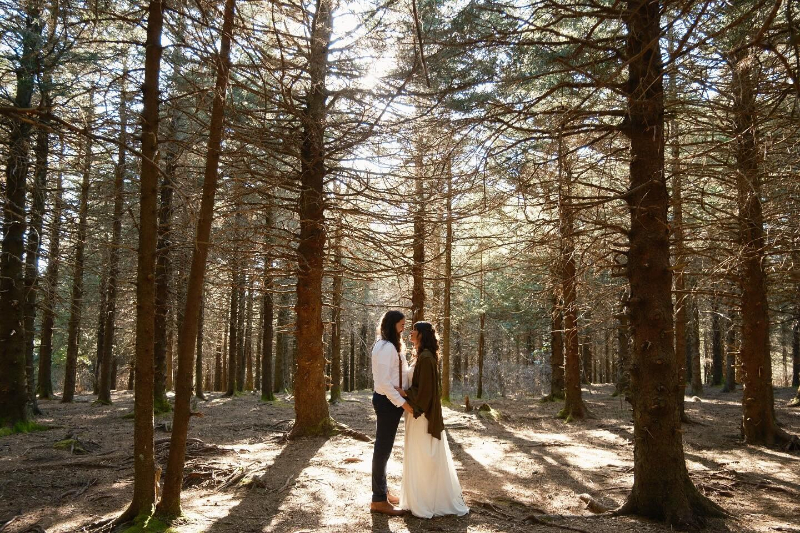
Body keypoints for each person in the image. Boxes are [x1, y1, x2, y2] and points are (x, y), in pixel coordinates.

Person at [396, 321, 469, 518]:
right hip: (415, 413)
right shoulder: (421, 356)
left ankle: (427, 501)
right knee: (419, 455)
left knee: (424, 455)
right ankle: (418, 498)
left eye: (414, 330)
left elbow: (426, 392)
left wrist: (404, 393)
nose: (410, 332)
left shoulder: (426, 358)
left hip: (423, 415)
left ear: (421, 334)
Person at [370, 310, 414, 516]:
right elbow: (385, 384)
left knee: (384, 449)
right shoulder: (386, 347)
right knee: (382, 449)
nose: (404, 327)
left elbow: (397, 376)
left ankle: (383, 492)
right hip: (388, 402)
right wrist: (403, 403)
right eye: (401, 324)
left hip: (390, 401)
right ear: (392, 325)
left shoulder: (388, 345)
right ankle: (378, 500)